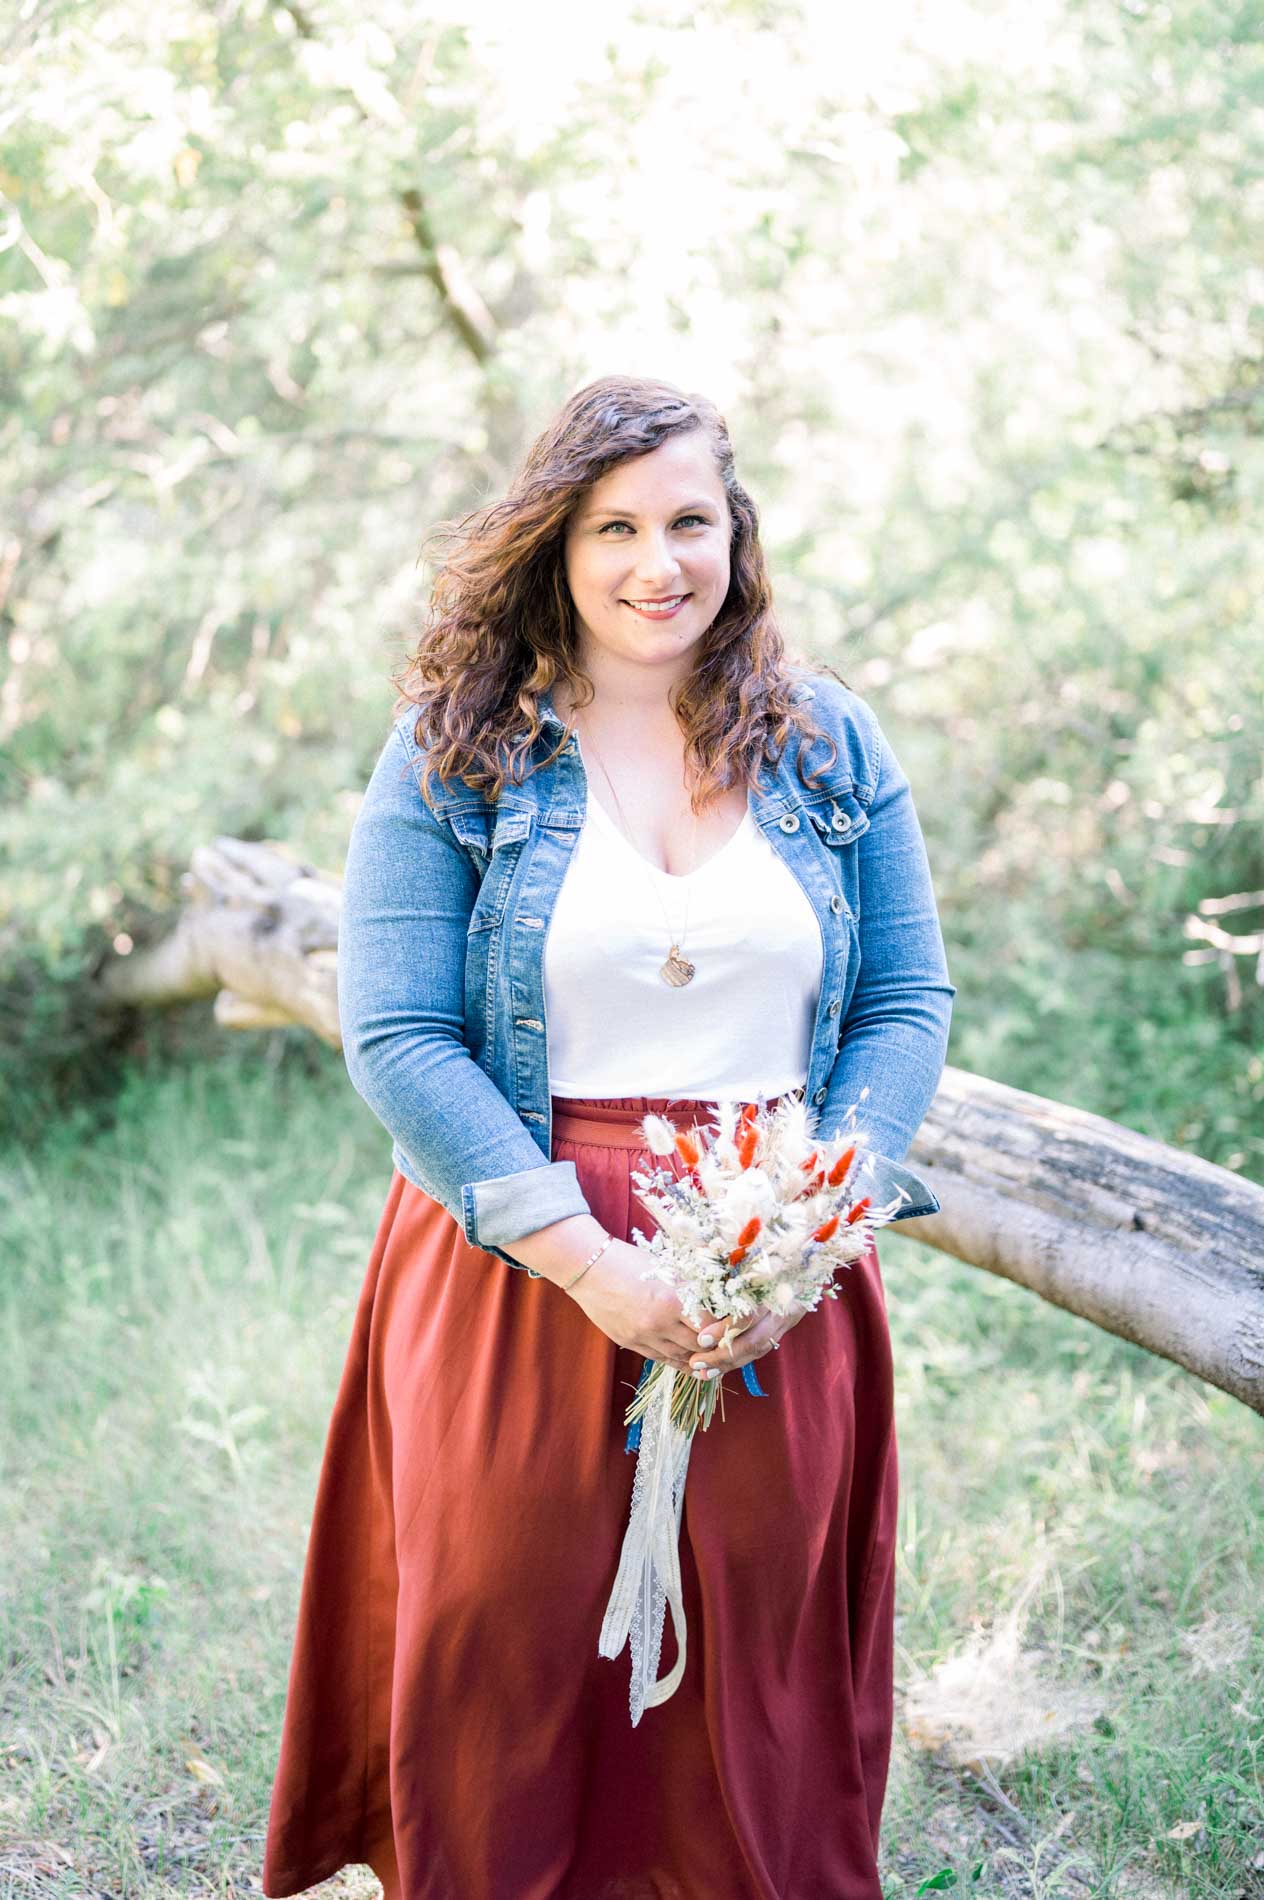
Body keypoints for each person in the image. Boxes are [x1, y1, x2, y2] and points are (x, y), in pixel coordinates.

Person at [260, 374, 955, 1900]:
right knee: (506, 1650)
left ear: (737, 531)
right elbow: (399, 1035)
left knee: (759, 1670)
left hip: (777, 1265)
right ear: (552, 546)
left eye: (690, 521)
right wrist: (585, 1262)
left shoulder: (829, 742)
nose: (661, 563)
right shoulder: (457, 750)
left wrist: (813, 1227)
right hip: (516, 1257)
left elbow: (906, 1001)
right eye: (617, 526)